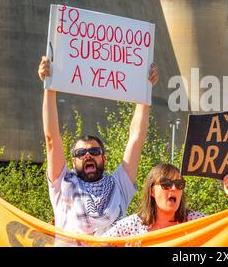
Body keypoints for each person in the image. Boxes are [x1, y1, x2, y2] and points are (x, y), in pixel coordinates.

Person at [38, 55, 158, 236]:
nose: (87, 155)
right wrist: (49, 85)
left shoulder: (119, 185)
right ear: (73, 161)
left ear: (104, 158)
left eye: (94, 151)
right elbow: (52, 139)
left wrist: (145, 90)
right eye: (81, 152)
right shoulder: (62, 184)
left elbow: (137, 138)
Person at [103, 163, 228, 237]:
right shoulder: (131, 226)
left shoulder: (195, 221)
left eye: (179, 184)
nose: (174, 188)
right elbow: (96, 243)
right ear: (152, 191)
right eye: (166, 184)